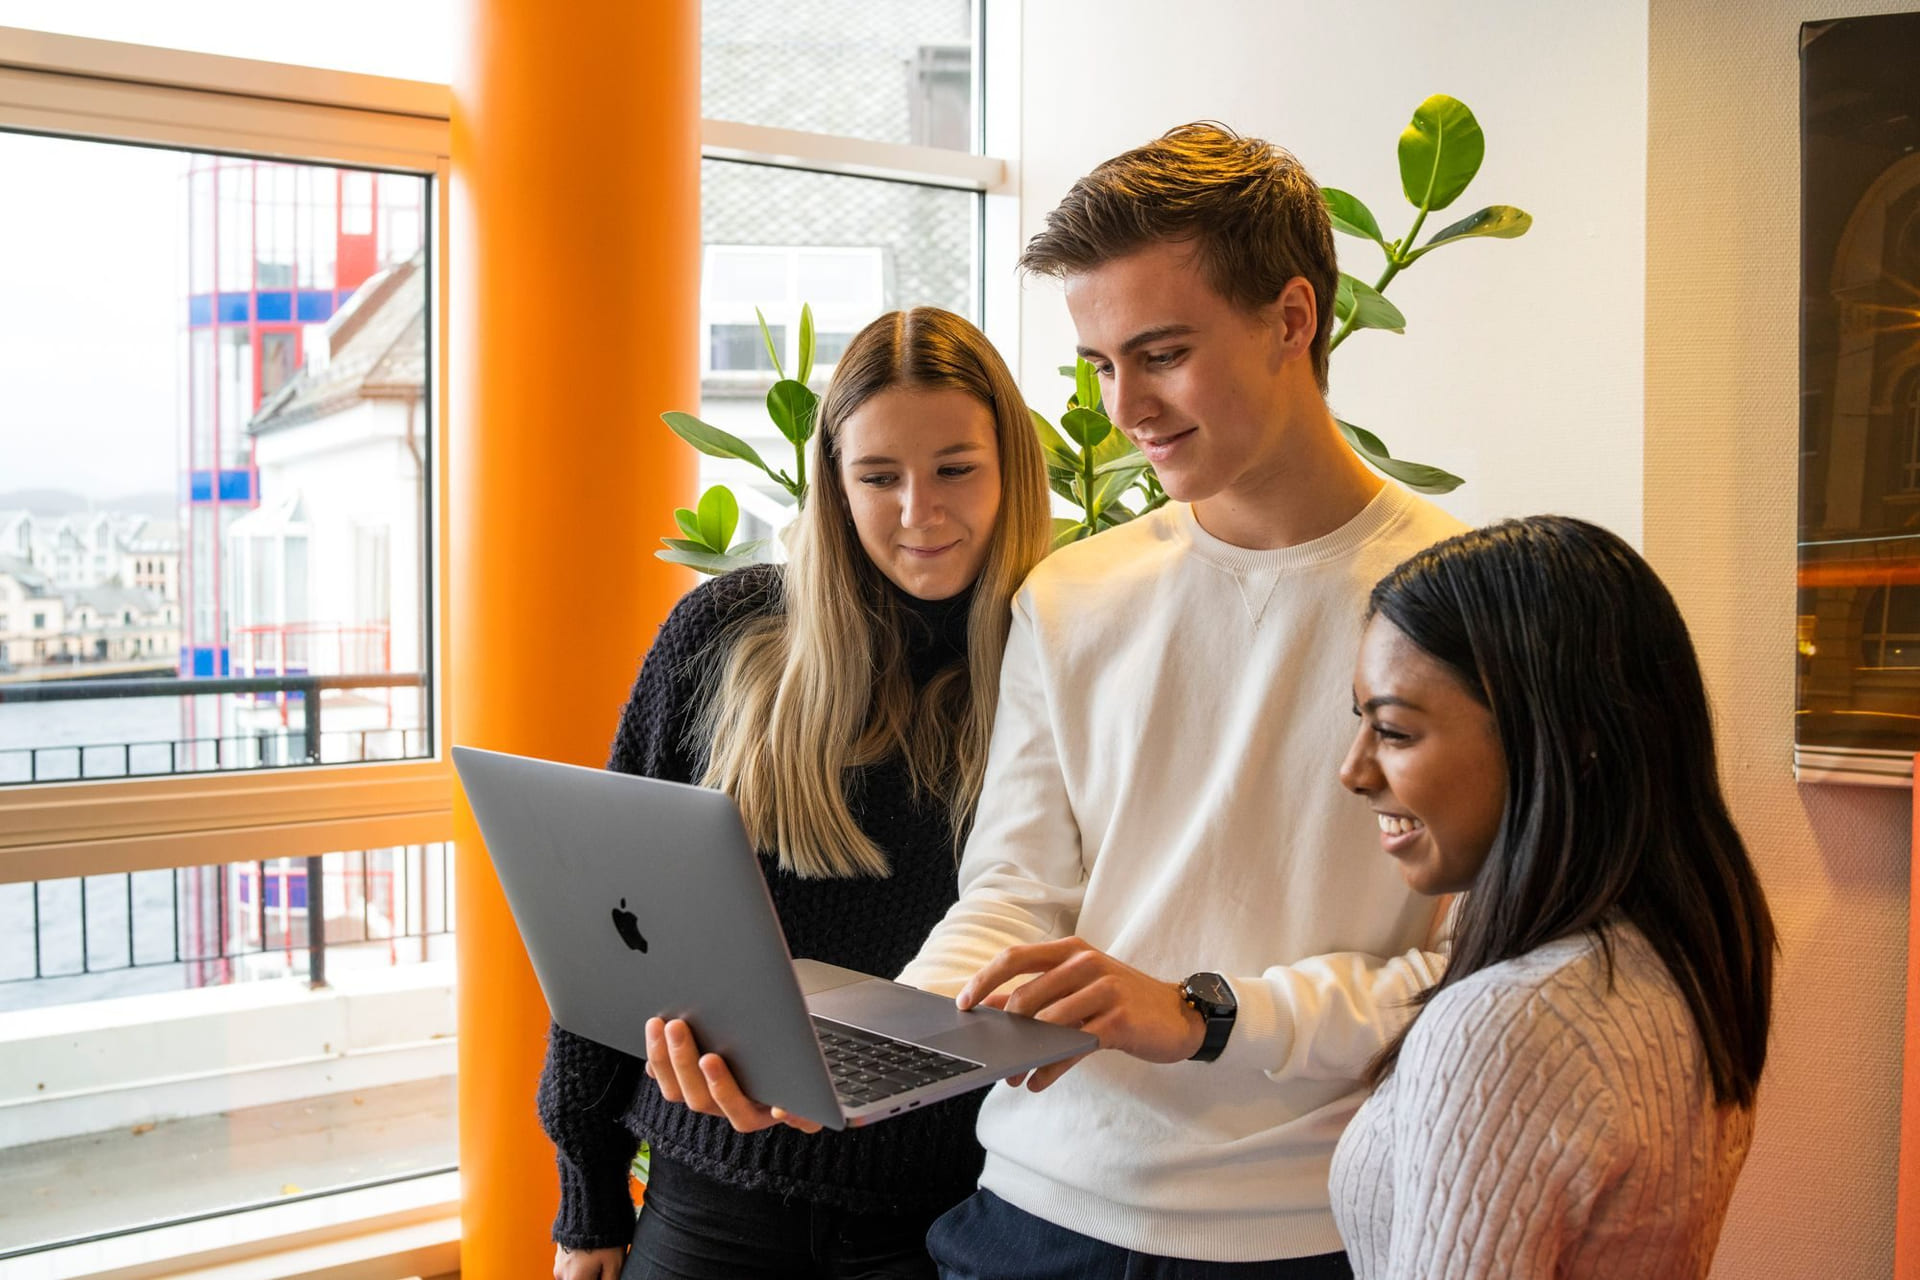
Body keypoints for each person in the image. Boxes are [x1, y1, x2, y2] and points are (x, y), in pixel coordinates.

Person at [536, 305, 1052, 1280]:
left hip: (955, 1215)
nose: (918, 511)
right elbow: (605, 923)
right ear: (833, 483)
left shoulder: (1059, 659)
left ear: (1011, 470)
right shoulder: (727, 633)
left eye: (955, 468)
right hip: (712, 1199)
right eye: (878, 476)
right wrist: (588, 1196)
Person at [1330, 515, 1775, 1279]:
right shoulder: (1681, 951)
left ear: (1567, 738)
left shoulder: (1509, 1025)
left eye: (1395, 732)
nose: (1355, 770)